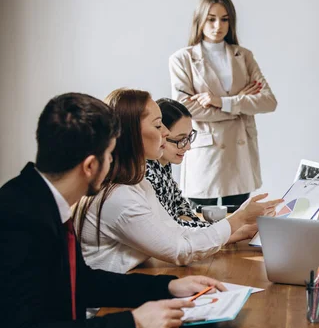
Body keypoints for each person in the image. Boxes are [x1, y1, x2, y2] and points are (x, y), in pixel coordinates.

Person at [0, 93, 228, 328]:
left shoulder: (43, 200)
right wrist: (131, 326)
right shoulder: (19, 217)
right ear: (90, 166)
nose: (112, 164)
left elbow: (82, 282)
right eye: (109, 155)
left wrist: (166, 286)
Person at [77, 89, 282, 274]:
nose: (165, 133)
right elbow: (180, 250)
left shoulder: (137, 183)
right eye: (158, 125)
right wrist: (238, 220)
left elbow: (176, 231)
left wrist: (236, 226)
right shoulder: (120, 197)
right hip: (106, 303)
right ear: (131, 133)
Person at [169, 0, 277, 209]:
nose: (218, 26)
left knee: (241, 224)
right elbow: (186, 109)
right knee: (199, 223)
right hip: (206, 153)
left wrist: (221, 101)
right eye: (211, 19)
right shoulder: (182, 59)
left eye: (224, 19)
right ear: (199, 20)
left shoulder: (243, 56)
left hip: (240, 152)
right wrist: (242, 103)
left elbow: (268, 101)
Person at [145, 98, 210, 228]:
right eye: (180, 139)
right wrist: (232, 224)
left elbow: (182, 206)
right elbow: (171, 228)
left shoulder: (164, 164)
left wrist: (184, 220)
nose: (188, 147)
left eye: (189, 137)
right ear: (161, 135)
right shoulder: (147, 172)